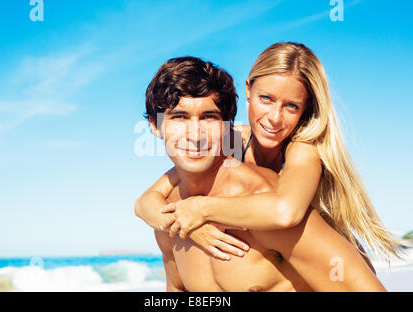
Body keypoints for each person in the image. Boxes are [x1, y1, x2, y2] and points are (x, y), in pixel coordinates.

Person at [135, 42, 406, 263]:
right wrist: (193, 227)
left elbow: (285, 212)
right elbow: (146, 202)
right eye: (266, 99)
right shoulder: (231, 139)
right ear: (249, 90)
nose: (274, 118)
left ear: (306, 109)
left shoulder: (303, 151)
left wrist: (201, 209)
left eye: (291, 106)